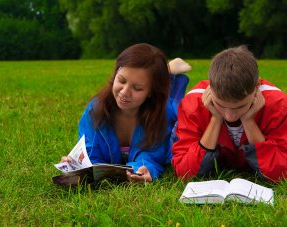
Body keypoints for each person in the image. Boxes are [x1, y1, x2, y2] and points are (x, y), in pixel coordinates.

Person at [61, 43, 191, 183]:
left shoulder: (163, 113)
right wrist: (79, 164)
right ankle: (167, 71)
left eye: (137, 88)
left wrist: (144, 169)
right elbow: (91, 152)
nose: (124, 92)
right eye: (121, 80)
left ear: (150, 92)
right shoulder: (95, 110)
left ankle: (170, 76)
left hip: (167, 106)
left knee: (177, 105)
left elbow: (153, 156)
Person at [171, 45, 287, 183]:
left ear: (256, 87)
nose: (229, 116)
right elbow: (185, 173)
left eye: (240, 106)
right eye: (220, 105)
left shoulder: (279, 105)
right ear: (210, 88)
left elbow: (282, 174)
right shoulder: (193, 105)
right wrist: (215, 119)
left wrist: (249, 121)